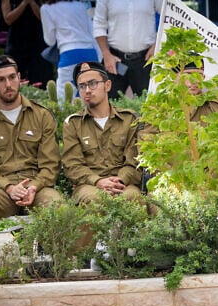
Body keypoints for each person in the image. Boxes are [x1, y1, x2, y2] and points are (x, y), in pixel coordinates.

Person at [0, 55, 62, 218]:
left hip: (37, 190)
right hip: (1, 192)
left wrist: (32, 187)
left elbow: (50, 165)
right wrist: (9, 188)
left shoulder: (42, 115)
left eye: (12, 77)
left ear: (19, 78)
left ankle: (47, 244)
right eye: (1, 80)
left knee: (57, 206)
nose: (8, 85)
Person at [62, 62, 143, 204]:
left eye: (93, 83)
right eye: (82, 86)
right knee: (94, 199)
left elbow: (134, 162)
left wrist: (119, 180)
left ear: (107, 85)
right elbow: (73, 166)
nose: (87, 90)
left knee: (132, 198)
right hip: (89, 185)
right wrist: (98, 181)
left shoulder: (129, 119)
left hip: (124, 183)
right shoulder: (73, 123)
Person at [92, 0, 163, 100]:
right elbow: (99, 24)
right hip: (115, 60)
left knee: (149, 106)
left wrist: (157, 44)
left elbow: (169, 15)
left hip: (145, 59)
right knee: (107, 104)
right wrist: (106, 54)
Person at [40, 0, 100, 102]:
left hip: (69, 54)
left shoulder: (46, 8)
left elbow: (50, 40)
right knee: (92, 97)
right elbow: (92, 31)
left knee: (65, 99)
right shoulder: (80, 5)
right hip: (91, 53)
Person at [1, 0, 55, 88]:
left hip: (38, 42)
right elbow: (8, 19)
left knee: (41, 81)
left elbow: (44, 17)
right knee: (13, 80)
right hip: (16, 42)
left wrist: (32, 3)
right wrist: (24, 3)